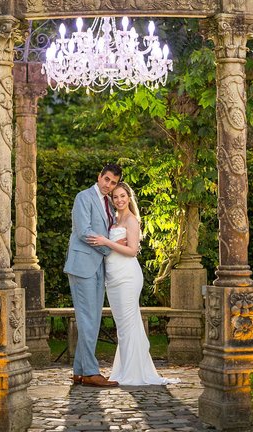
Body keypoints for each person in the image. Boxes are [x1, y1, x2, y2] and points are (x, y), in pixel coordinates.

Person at [86, 181, 175, 386]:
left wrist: (107, 242)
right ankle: (125, 369)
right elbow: (118, 246)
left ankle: (135, 373)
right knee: (124, 326)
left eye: (122, 196)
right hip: (113, 277)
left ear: (129, 197)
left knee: (128, 323)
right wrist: (114, 243)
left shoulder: (132, 220)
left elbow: (133, 250)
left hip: (127, 275)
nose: (119, 200)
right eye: (115, 197)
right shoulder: (114, 219)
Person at [64, 163, 123, 388]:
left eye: (113, 182)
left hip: (99, 266)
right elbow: (83, 231)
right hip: (82, 265)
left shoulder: (108, 202)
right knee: (88, 319)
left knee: (92, 319)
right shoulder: (83, 197)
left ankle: (79, 370)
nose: (109, 185)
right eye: (106, 179)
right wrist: (111, 249)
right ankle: (90, 371)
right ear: (99, 177)